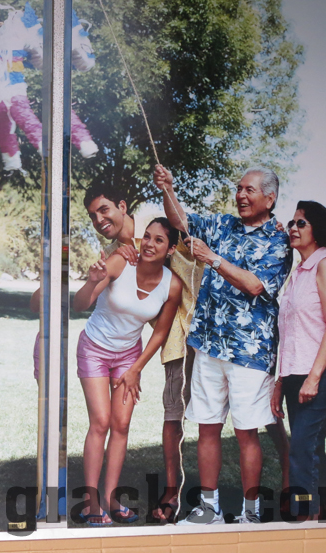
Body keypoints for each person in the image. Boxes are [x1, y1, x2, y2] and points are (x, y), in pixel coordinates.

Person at [154, 164, 292, 524]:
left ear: (269, 199)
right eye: (239, 189)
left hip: (249, 352)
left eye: (249, 190)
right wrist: (168, 189)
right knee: (207, 426)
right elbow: (182, 222)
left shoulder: (279, 240)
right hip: (208, 344)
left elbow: (255, 285)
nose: (241, 195)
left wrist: (213, 259)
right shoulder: (223, 225)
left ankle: (251, 513)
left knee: (246, 433)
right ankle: (208, 508)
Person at [72, 218, 183, 526]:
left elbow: (160, 332)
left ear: (171, 249)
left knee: (121, 426)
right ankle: (91, 502)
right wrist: (92, 281)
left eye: (159, 240)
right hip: (94, 348)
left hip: (129, 356)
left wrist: (136, 369)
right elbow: (79, 304)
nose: (149, 243)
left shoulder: (172, 284)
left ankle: (110, 498)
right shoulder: (121, 261)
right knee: (101, 422)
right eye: (146, 236)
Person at [271, 201, 326, 520]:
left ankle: (306, 521)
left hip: (321, 375)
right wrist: (280, 382)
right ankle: (322, 519)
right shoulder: (297, 274)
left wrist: (314, 378)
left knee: (301, 449)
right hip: (295, 375)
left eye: (301, 223)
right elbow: (290, 335)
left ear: (317, 229)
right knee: (311, 449)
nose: (293, 228)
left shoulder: (325, 265)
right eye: (291, 223)